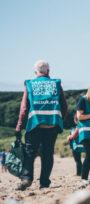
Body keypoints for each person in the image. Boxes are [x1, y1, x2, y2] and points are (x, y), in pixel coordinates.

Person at [15, 60, 68, 190]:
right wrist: (59, 120)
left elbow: (24, 108)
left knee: (29, 152)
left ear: (35, 72)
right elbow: (64, 106)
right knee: (48, 153)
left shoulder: (30, 84)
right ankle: (44, 182)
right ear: (48, 71)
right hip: (52, 125)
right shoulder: (56, 84)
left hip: (35, 124)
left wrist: (19, 126)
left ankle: (27, 178)